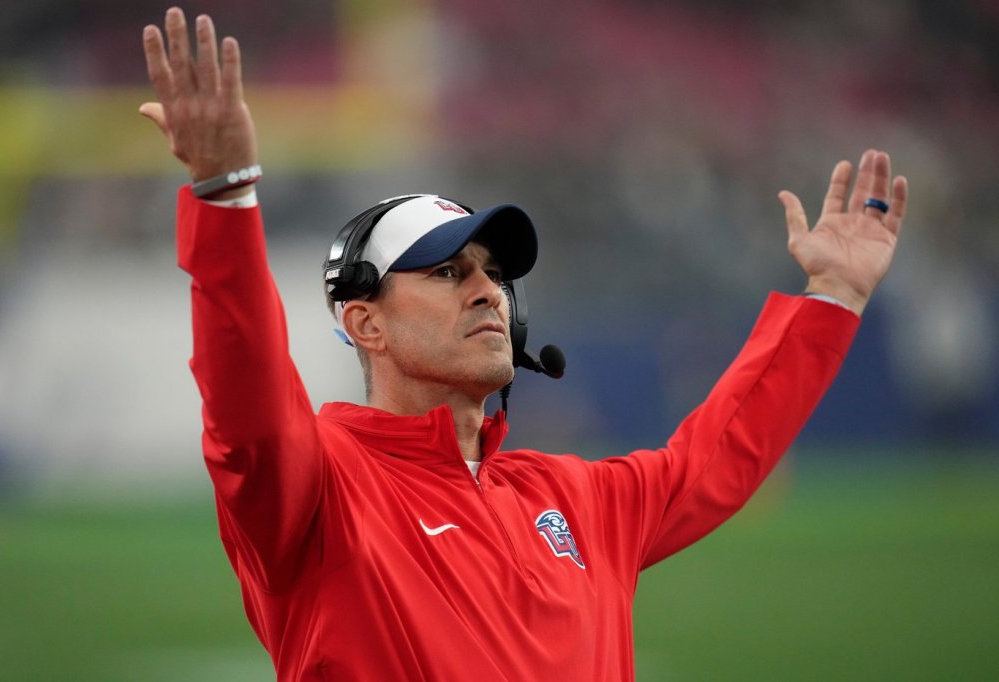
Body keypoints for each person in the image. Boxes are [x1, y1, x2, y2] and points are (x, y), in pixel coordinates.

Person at [140, 8, 907, 681]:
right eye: (446, 272)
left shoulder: (577, 498)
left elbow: (721, 452)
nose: (487, 291)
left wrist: (832, 298)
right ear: (365, 324)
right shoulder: (318, 488)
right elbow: (248, 403)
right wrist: (225, 196)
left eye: (495, 273)